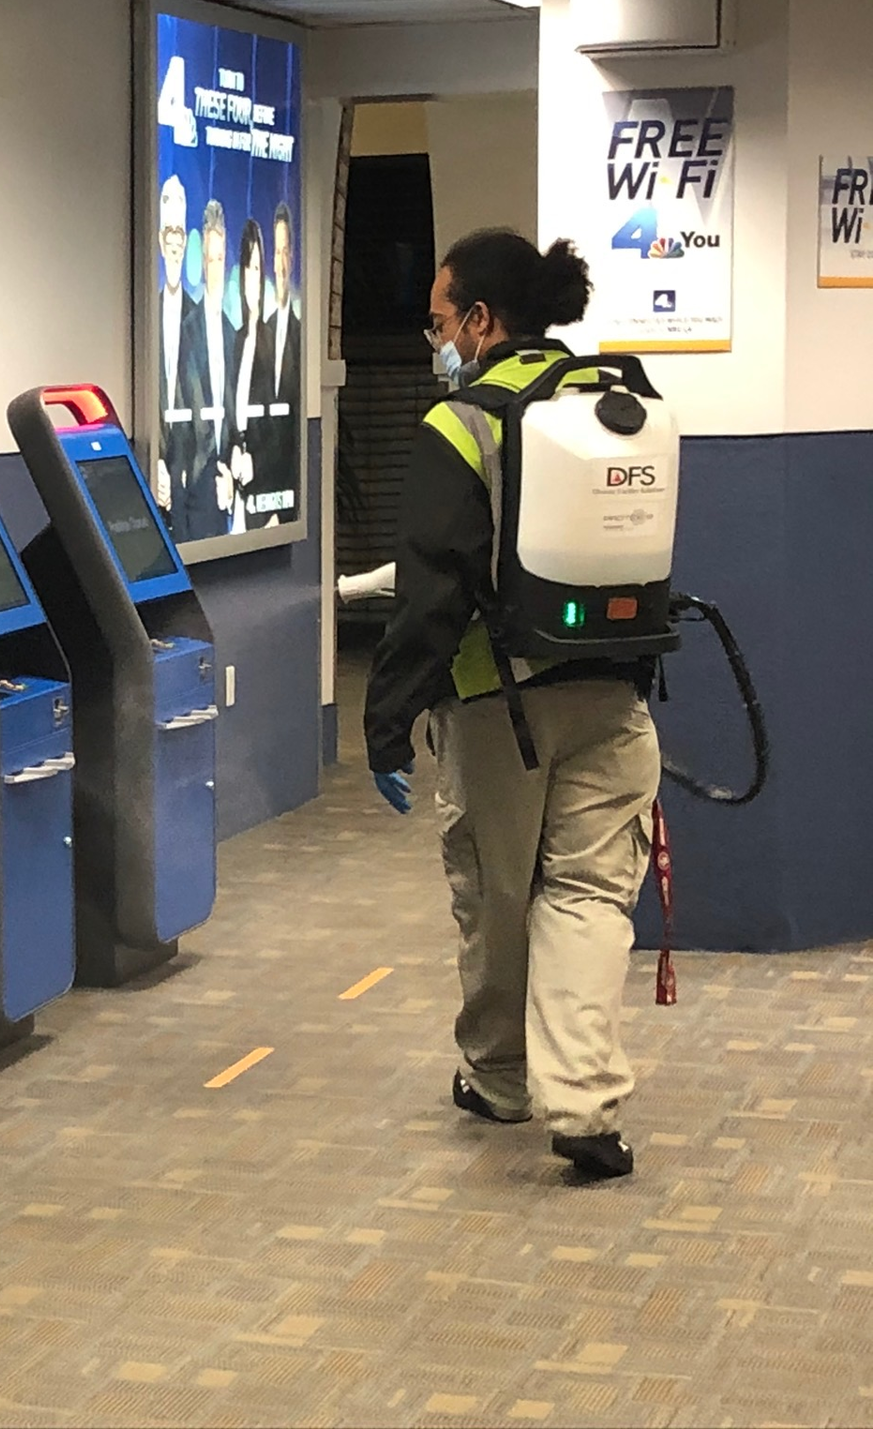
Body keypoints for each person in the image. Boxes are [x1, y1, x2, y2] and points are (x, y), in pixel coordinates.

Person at [364, 228, 658, 1181]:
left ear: (482, 321)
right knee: (589, 895)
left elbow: (434, 590)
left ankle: (499, 1079)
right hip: (618, 691)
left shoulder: (464, 422)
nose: (437, 337)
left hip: (502, 708)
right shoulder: (621, 401)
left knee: (497, 893)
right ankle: (584, 1106)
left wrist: (386, 725)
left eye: (441, 319)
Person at [151, 175, 207, 537]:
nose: (174, 243)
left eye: (180, 235)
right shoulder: (144, 317)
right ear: (159, 239)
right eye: (169, 233)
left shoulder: (201, 322)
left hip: (193, 484)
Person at [180, 200, 239, 542]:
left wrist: (231, 466)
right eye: (209, 260)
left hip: (228, 478)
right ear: (200, 264)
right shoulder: (188, 330)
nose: (214, 269)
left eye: (220, 260)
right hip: (197, 477)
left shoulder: (234, 334)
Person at [245, 201, 301, 528]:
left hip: (288, 503)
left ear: (292, 258)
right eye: (275, 254)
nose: (279, 264)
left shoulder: (301, 336)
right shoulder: (255, 336)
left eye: (285, 252)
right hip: (256, 497)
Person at [227, 217, 269, 531]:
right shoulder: (235, 340)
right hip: (233, 495)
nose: (251, 278)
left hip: (262, 501)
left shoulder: (276, 347)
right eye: (246, 269)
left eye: (256, 269)